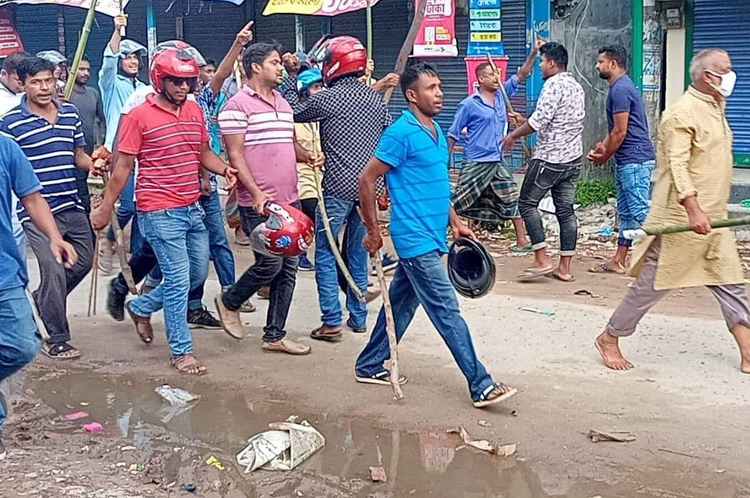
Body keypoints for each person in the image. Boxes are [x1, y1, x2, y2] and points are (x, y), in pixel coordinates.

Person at [355, 62, 517, 408]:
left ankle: (369, 364)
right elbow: (367, 180)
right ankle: (481, 384)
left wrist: (455, 221)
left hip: (435, 235)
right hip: (413, 240)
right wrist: (372, 231)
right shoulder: (400, 133)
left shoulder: (436, 131)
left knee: (400, 306)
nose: (439, 92)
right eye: (431, 88)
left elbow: (440, 186)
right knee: (447, 311)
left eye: (440, 86)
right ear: (412, 95)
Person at [595, 48, 750, 374]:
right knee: (651, 286)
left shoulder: (715, 107)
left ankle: (748, 354)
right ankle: (610, 337)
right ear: (709, 77)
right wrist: (693, 209)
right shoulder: (681, 114)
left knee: (731, 283)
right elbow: (677, 166)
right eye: (727, 69)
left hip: (714, 221)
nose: (732, 74)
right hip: (682, 222)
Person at [91, 47, 237, 376]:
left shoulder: (195, 111)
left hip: (191, 207)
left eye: (188, 82)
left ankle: (141, 307)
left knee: (196, 276)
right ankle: (181, 351)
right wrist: (104, 207)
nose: (184, 88)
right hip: (158, 210)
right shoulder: (138, 116)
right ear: (161, 80)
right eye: (176, 82)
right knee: (178, 278)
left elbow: (202, 152)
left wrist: (224, 169)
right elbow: (123, 167)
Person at [282, 36, 392, 340]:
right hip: (368, 190)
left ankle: (331, 319)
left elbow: (291, 109)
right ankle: (358, 318)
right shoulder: (375, 99)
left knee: (328, 254)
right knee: (358, 252)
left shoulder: (327, 98)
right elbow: (387, 140)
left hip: (337, 188)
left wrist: (293, 75)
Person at [213, 42, 318, 356]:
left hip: (291, 198)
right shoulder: (236, 106)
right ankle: (230, 300)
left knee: (289, 269)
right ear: (255, 66)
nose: (280, 68)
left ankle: (274, 335)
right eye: (274, 62)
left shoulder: (283, 103)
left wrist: (308, 155)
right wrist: (256, 193)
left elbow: (286, 141)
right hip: (259, 202)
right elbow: (235, 155)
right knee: (270, 265)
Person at [0, 57, 98, 360]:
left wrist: (94, 164)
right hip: (35, 211)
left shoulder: (70, 113)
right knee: (54, 269)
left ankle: (41, 305)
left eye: (48, 80)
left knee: (83, 262)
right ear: (23, 84)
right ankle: (56, 337)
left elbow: (78, 155)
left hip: (72, 203)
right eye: (36, 82)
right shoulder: (10, 124)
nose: (44, 87)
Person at [0, 134, 78, 461]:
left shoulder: (6, 147)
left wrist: (54, 237)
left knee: (23, 344)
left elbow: (32, 199)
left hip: (3, 268)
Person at [448, 40, 543, 252]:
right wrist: (444, 159)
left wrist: (534, 53)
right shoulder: (469, 104)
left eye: (497, 74)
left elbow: (522, 74)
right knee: (460, 199)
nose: (496, 78)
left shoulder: (501, 95)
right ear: (480, 79)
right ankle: (452, 234)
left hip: (496, 159)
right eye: (491, 74)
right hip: (476, 160)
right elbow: (453, 133)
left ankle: (522, 240)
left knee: (511, 195)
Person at [501, 42, 585, 283]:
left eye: (542, 61)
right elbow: (555, 121)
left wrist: (513, 134)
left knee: (526, 203)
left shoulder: (552, 85)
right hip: (572, 159)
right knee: (566, 212)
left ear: (551, 63)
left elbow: (539, 122)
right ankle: (564, 268)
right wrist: (524, 120)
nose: (540, 66)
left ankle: (541, 258)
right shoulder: (576, 87)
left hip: (550, 158)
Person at [195, 22, 256, 316]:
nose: (186, 83)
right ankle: (159, 295)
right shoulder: (154, 106)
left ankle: (231, 293)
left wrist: (238, 44)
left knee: (218, 241)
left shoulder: (203, 100)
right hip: (176, 188)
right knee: (186, 253)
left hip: (207, 180)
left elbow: (220, 75)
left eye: (191, 76)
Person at [588, 45, 656, 275]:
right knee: (626, 213)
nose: (597, 66)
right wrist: (603, 148)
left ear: (613, 64)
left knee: (640, 211)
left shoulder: (620, 90)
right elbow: (615, 130)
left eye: (600, 61)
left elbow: (620, 132)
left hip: (634, 159)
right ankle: (619, 260)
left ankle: (671, 259)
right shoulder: (622, 87)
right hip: (631, 158)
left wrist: (604, 155)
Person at [98, 13, 147, 275]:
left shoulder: (144, 87)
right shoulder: (110, 84)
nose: (132, 61)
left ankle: (138, 259)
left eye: (135, 57)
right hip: (119, 150)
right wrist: (117, 30)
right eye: (127, 57)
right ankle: (108, 241)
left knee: (141, 207)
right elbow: (108, 62)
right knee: (128, 204)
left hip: (143, 151)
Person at [293, 67, 325, 272]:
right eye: (315, 87)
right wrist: (307, 156)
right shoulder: (293, 116)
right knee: (310, 215)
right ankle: (300, 253)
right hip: (300, 176)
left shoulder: (322, 117)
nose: (320, 90)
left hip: (319, 176)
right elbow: (291, 145)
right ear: (304, 90)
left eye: (321, 86)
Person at [0, 51, 30, 257]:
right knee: (13, 225)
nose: (22, 84)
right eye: (18, 80)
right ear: (4, 75)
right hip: (5, 170)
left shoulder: (24, 96)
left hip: (25, 169)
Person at [68, 54, 106, 213]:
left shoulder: (93, 93)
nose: (85, 73)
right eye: (81, 69)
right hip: (68, 152)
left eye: (88, 70)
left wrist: (102, 146)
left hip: (86, 153)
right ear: (70, 70)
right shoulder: (64, 95)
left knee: (84, 195)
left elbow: (102, 120)